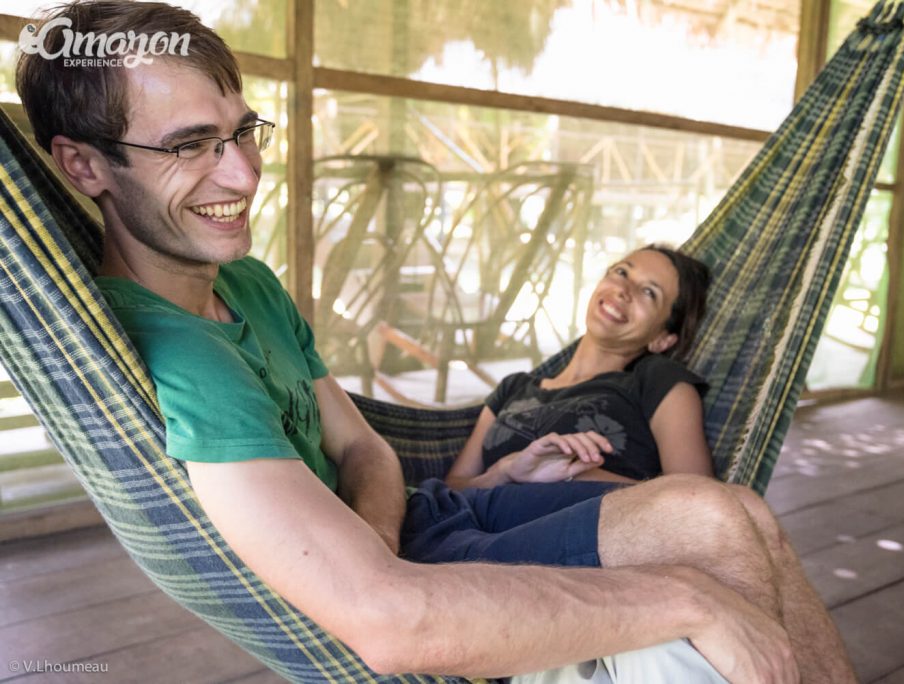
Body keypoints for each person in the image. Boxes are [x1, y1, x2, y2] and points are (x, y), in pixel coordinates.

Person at [16, 2, 854, 682]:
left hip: (431, 519)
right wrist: (690, 603)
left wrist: (382, 534)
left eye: (241, 132)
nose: (242, 174)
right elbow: (385, 621)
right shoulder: (189, 365)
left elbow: (367, 450)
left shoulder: (249, 288)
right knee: (709, 545)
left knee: (728, 511)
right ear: (83, 167)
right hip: (418, 570)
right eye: (191, 146)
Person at [401, 246, 716, 568]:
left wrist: (570, 475)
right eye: (621, 272)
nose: (624, 290)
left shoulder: (654, 379)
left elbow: (696, 503)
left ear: (662, 340)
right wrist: (507, 471)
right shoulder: (515, 386)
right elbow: (455, 486)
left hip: (566, 538)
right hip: (459, 527)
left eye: (649, 292)